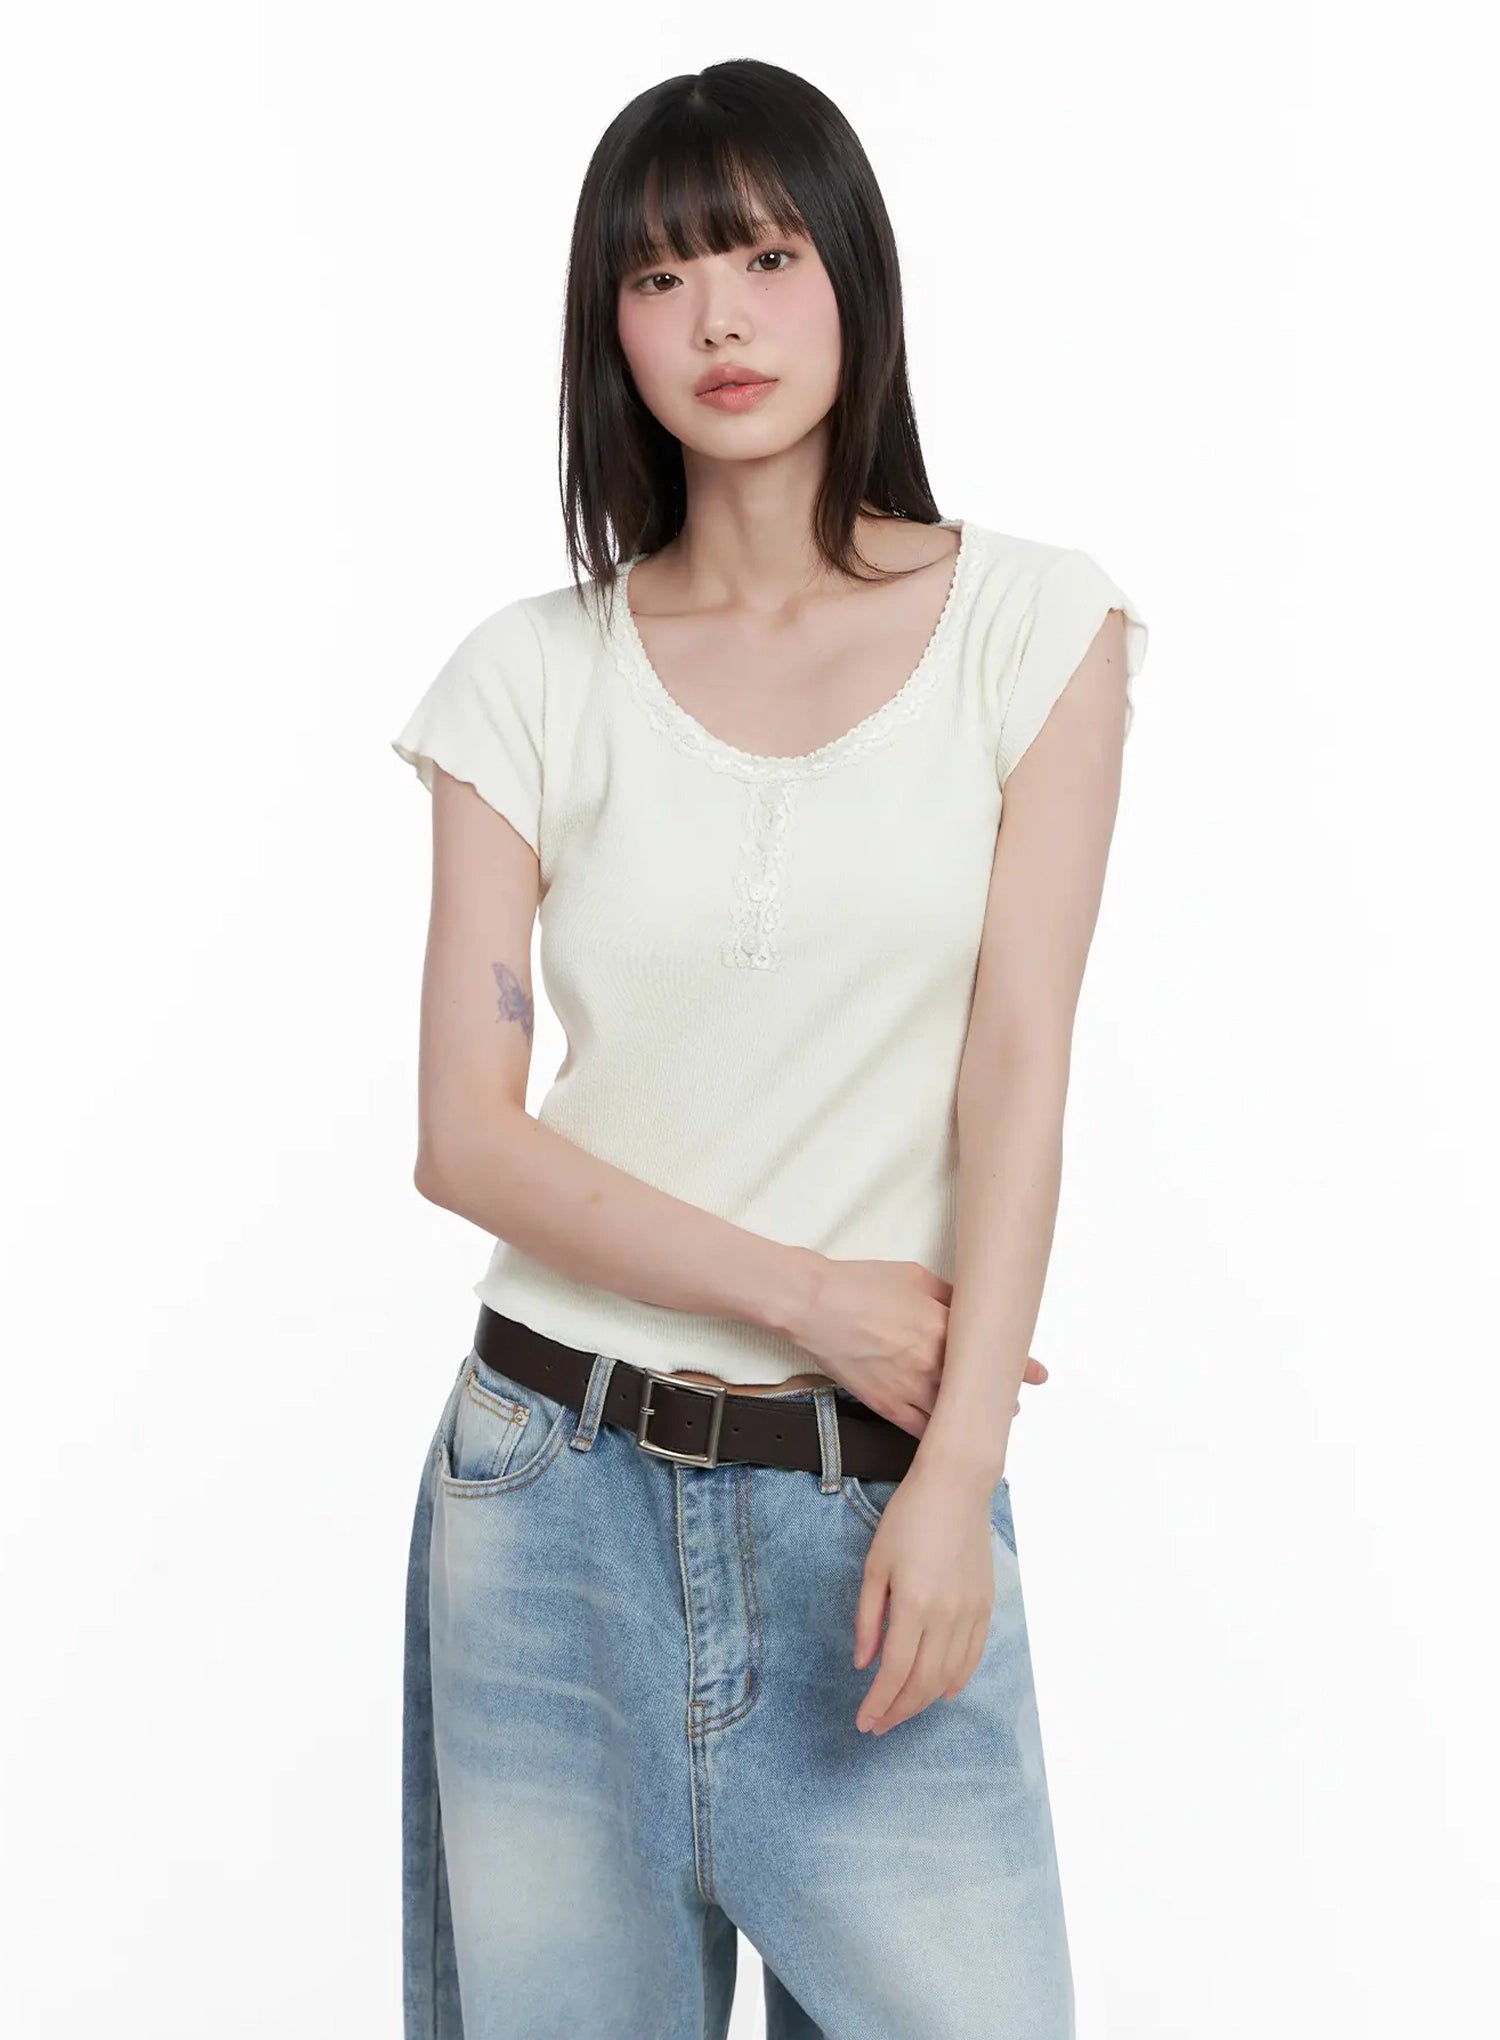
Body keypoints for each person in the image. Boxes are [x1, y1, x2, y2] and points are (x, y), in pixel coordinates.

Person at [389, 56, 1147, 2040]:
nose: (718, 318)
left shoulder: (1033, 628)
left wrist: (957, 1464)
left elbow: (1021, 1063)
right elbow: (465, 1138)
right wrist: (815, 1295)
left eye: (763, 255)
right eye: (660, 278)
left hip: (875, 1494)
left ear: (852, 277)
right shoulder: (527, 676)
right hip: (550, 1496)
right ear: (608, 330)